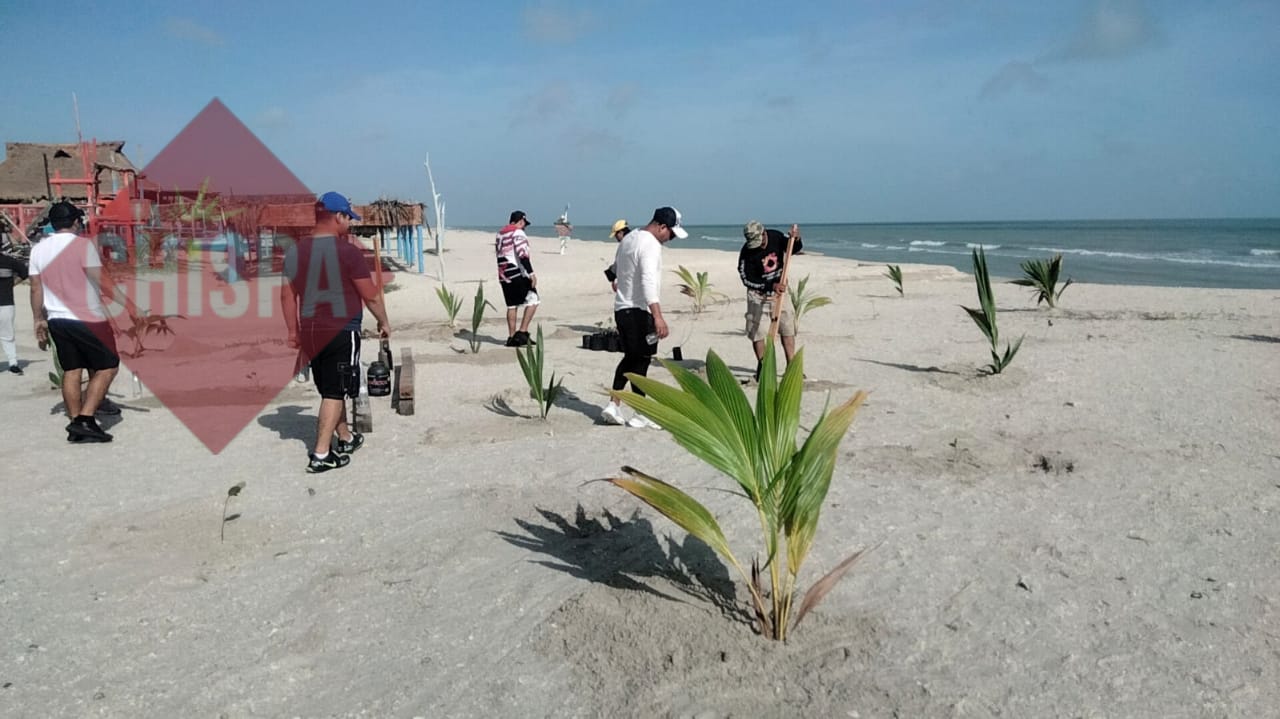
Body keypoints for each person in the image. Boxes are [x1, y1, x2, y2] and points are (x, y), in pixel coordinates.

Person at [281, 192, 392, 473]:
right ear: (338, 217)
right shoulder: (348, 252)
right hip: (341, 329)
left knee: (332, 386)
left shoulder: (295, 252)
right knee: (334, 391)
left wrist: (293, 332)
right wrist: (384, 322)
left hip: (310, 330)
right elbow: (372, 296)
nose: (350, 225)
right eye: (348, 219)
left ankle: (345, 437)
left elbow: (286, 295)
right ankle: (321, 455)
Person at [27, 202, 121, 442]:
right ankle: (86, 420)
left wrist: (39, 319)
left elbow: (36, 288)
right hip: (87, 317)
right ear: (76, 222)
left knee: (72, 369)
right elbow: (102, 281)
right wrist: (131, 306)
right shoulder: (83, 245)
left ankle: (75, 421)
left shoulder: (38, 249)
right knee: (108, 365)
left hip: (57, 318)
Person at [600, 207, 688, 428]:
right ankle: (625, 406)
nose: (671, 239)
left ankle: (634, 409)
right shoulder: (650, 244)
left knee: (636, 359)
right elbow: (648, 281)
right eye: (671, 234)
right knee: (637, 359)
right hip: (639, 310)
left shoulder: (628, 239)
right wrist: (658, 316)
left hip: (622, 309)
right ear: (661, 227)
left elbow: (616, 271)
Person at [738, 220, 804, 379]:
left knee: (787, 328)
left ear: (764, 233)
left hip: (781, 293)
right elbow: (746, 279)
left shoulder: (775, 236)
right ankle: (764, 368)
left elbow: (792, 249)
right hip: (758, 296)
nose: (758, 246)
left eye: (759, 242)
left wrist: (797, 238)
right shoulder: (746, 252)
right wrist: (770, 285)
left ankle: (792, 369)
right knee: (758, 332)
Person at [496, 210, 539, 347]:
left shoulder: (500, 234)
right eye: (524, 223)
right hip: (516, 273)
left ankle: (511, 337)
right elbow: (522, 255)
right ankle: (522, 332)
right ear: (521, 221)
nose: (524, 226)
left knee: (512, 305)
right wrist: (531, 273)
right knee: (534, 300)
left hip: (503, 274)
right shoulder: (518, 233)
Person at [1, 248, 29, 374]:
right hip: (7, 303)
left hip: (6, 303)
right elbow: (24, 272)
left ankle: (13, 362)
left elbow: (24, 272)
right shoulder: (8, 260)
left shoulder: (9, 261)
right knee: (8, 335)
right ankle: (13, 363)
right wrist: (12, 284)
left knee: (7, 334)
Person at [603, 219, 629, 292]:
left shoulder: (624, 245)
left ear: (621, 232)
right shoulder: (636, 239)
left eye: (616, 235)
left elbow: (619, 265)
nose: (615, 238)